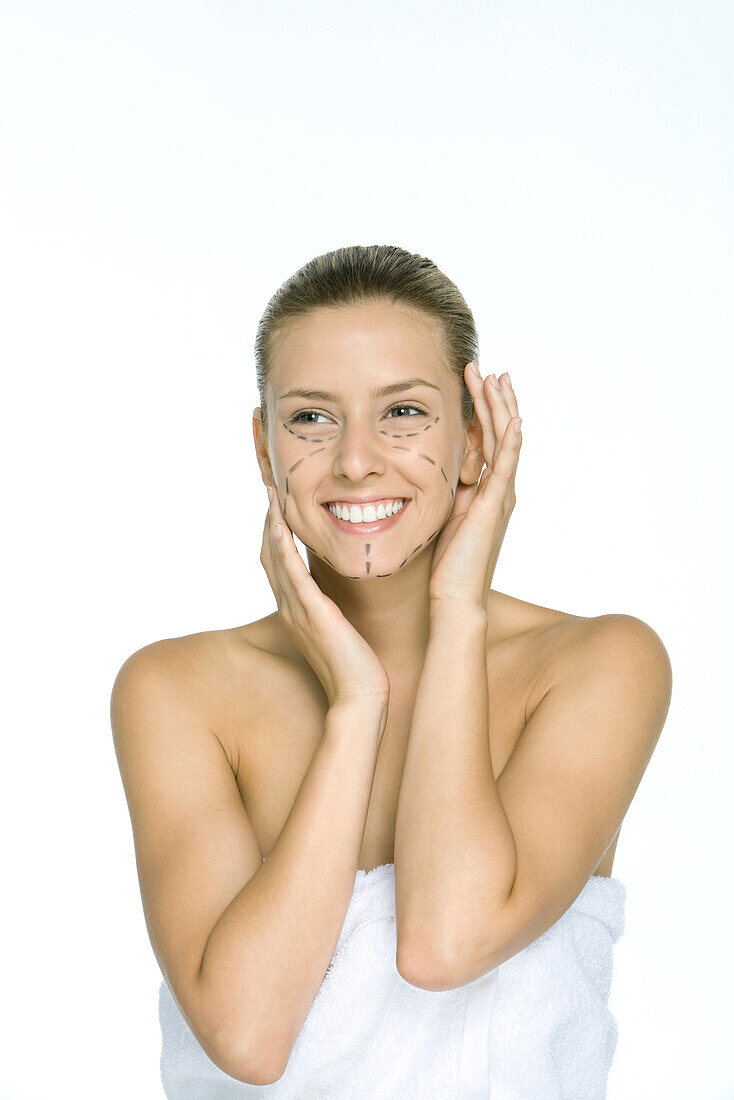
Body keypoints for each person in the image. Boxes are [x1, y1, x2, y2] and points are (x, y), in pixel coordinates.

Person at [110, 244, 672, 1097]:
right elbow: (248, 1038)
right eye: (310, 418)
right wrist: (356, 704)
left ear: (476, 435)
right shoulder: (178, 691)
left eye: (404, 412)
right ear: (264, 449)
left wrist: (459, 610)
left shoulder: (600, 665)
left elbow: (447, 942)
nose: (356, 460)